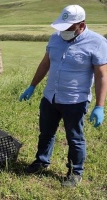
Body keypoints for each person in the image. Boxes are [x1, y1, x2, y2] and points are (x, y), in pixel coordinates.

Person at [19, 5, 107, 187]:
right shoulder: (55, 38)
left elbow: (101, 76)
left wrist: (100, 106)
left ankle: (75, 171)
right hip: (50, 97)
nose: (63, 31)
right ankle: (41, 161)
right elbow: (45, 64)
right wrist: (32, 86)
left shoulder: (97, 42)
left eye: (68, 27)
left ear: (80, 25)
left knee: (74, 138)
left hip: (75, 100)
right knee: (46, 133)